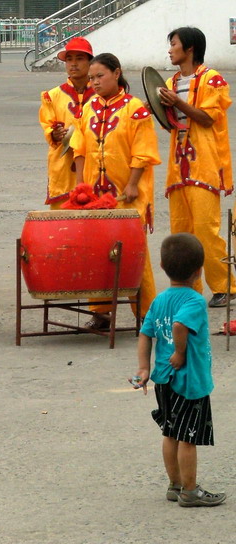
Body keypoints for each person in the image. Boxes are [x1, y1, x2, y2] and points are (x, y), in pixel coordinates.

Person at [132, 233, 226, 507]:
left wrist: (143, 367)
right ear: (199, 271)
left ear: (162, 267)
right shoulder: (195, 300)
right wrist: (180, 352)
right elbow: (179, 326)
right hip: (189, 381)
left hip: (163, 378)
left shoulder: (159, 300)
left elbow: (145, 333)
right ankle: (190, 490)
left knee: (170, 433)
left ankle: (174, 485)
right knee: (189, 438)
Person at [70, 53, 160, 326]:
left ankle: (146, 313)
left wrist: (133, 184)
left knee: (135, 254)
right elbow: (79, 147)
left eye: (100, 76)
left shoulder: (135, 109)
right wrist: (79, 185)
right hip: (96, 196)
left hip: (128, 194)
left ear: (117, 73)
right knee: (97, 253)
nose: (94, 82)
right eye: (92, 78)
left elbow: (143, 153)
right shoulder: (87, 107)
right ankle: (100, 312)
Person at [159, 27, 236, 308]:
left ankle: (225, 286)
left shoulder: (212, 79)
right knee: (181, 232)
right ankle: (188, 289)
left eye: (174, 44)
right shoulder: (170, 81)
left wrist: (178, 102)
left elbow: (207, 118)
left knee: (206, 229)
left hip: (204, 164)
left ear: (189, 48)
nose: (169, 50)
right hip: (177, 166)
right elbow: (169, 122)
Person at [39, 37, 95, 209]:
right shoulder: (53, 95)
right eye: (69, 59)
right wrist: (54, 134)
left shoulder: (100, 93)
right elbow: (47, 125)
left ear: (90, 62)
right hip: (63, 167)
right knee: (62, 223)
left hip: (94, 163)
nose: (73, 64)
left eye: (79, 59)